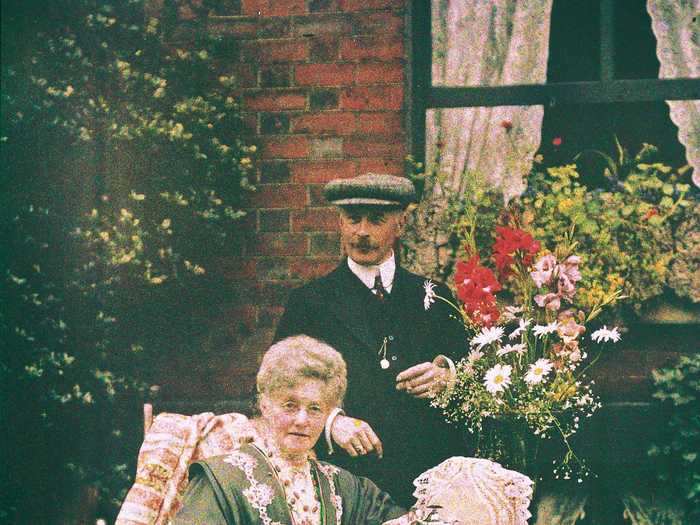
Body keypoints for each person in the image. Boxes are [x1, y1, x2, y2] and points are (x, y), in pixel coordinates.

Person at [274, 173, 467, 506]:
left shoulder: (435, 297)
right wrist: (331, 423)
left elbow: (472, 369)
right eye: (352, 219)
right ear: (340, 224)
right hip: (345, 483)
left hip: (428, 479)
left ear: (401, 225)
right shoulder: (310, 303)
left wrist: (446, 375)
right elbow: (276, 388)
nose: (361, 232)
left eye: (376, 220)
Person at [172, 335, 407, 524]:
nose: (302, 420)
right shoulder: (222, 481)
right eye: (290, 406)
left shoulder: (346, 487)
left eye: (315, 409)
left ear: (328, 415)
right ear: (265, 405)